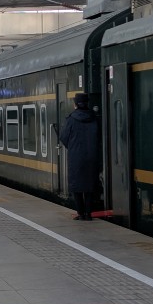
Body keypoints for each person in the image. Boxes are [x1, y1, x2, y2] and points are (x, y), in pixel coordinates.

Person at [59, 92, 101, 220]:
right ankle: (88, 214)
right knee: (89, 186)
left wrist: (72, 148)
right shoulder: (94, 118)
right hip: (92, 157)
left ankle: (80, 213)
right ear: (87, 104)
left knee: (76, 186)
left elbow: (64, 138)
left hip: (76, 157)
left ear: (75, 104)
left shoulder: (71, 119)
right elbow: (100, 137)